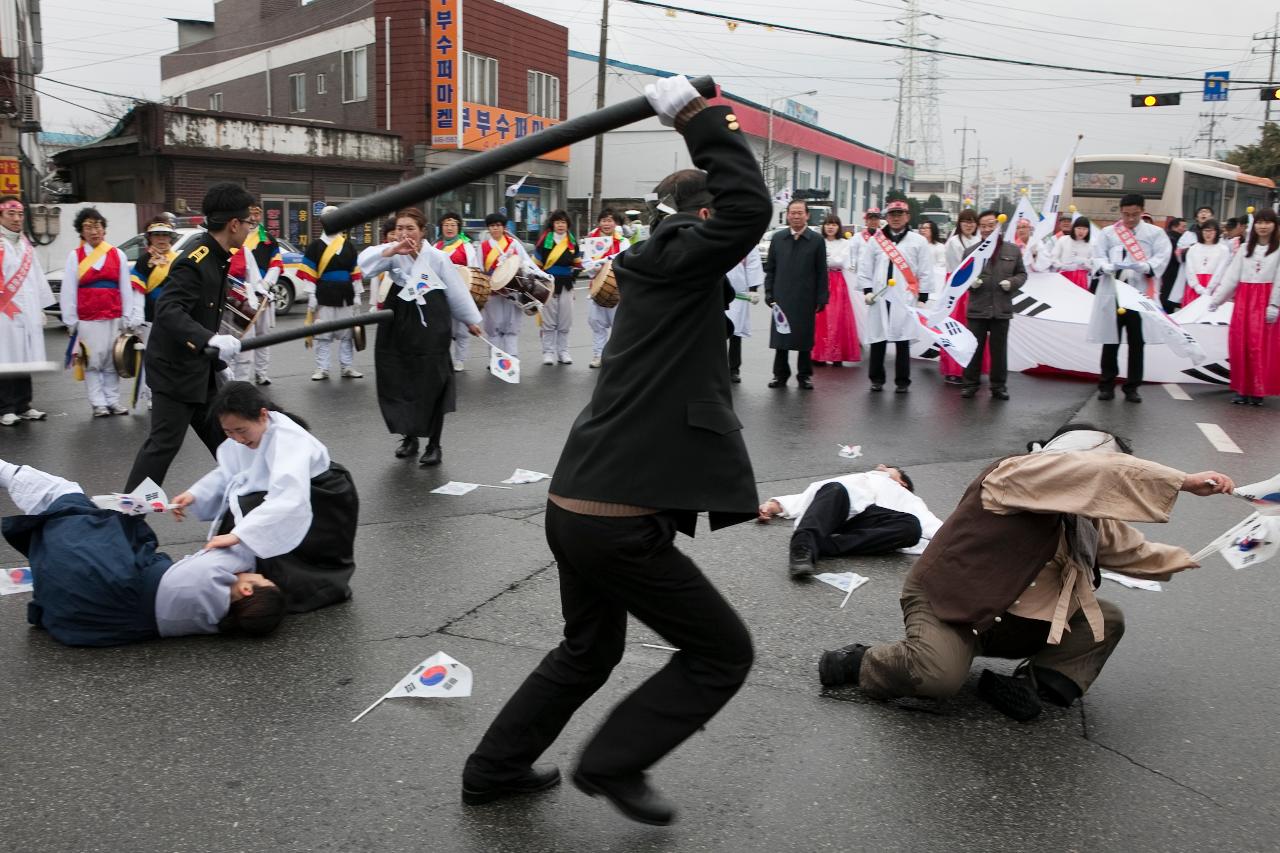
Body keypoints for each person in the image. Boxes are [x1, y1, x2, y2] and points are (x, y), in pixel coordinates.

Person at [462, 76, 770, 826]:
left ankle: (494, 766)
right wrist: (700, 119)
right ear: (704, 218)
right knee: (723, 652)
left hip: (579, 502)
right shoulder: (685, 260)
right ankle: (613, 762)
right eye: (716, 220)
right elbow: (750, 206)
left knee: (588, 650)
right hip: (615, 519)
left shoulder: (654, 268)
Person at [817, 424, 1235, 723]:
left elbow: (1131, 550)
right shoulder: (1014, 474)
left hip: (1014, 620)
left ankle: (1029, 686)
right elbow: (1090, 473)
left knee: (1105, 620)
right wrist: (1181, 480)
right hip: (950, 603)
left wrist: (1201, 555)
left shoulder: (1085, 516)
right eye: (1104, 469)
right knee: (938, 678)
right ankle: (865, 662)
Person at [1, 458, 284, 647]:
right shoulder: (217, 623)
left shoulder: (216, 575)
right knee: (80, 532)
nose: (254, 573)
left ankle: (5, 471)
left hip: (114, 578)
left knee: (67, 496)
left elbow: (244, 543)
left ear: (247, 590)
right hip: (98, 618)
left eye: (259, 579)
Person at [171, 381, 358, 612]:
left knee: (250, 509)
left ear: (262, 415)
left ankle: (299, 586)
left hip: (323, 495)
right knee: (246, 507)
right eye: (228, 432)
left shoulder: (289, 438)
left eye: (240, 430)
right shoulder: (251, 433)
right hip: (294, 493)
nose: (237, 439)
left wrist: (240, 534)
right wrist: (194, 494)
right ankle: (261, 577)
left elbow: (288, 496)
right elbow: (230, 473)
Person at [125, 183, 253, 491]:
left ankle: (248, 507)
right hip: (175, 370)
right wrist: (209, 340)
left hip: (200, 368)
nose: (251, 227)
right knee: (164, 445)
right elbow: (169, 311)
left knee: (227, 443)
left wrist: (218, 361)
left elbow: (204, 312)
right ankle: (126, 518)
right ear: (234, 224)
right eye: (249, 221)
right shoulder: (196, 258)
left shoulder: (218, 255)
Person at [358, 208, 482, 466]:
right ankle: (409, 437)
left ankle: (434, 444)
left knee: (433, 379)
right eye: (400, 229)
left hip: (431, 316)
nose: (404, 234)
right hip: (399, 315)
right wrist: (390, 250)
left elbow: (456, 290)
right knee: (399, 376)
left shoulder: (436, 257)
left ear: (423, 231)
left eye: (410, 229)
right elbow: (364, 265)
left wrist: (470, 319)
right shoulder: (393, 253)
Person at [757, 464, 942, 579]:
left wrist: (956, 544)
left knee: (911, 526)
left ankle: (822, 546)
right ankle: (802, 548)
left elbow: (931, 525)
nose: (882, 467)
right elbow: (812, 496)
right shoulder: (857, 478)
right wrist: (773, 505)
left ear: (903, 483)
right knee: (834, 489)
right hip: (841, 504)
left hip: (871, 518)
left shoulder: (905, 495)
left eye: (890, 469)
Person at [1089, 193, 1171, 403]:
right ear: (1120, 212)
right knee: (1110, 339)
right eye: (1126, 214)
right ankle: (1106, 384)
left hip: (1139, 292)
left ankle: (1132, 386)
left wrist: (1148, 266)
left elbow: (1162, 256)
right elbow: (1097, 254)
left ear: (1142, 211)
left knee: (1137, 341)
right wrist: (1104, 265)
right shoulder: (1108, 233)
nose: (1130, 219)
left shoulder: (1155, 233)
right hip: (1113, 290)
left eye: (1135, 214)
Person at [60, 207, 137, 417]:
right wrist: (71, 319)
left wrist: (127, 314)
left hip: (113, 315)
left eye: (97, 226)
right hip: (87, 318)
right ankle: (98, 403)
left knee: (114, 360)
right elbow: (68, 289)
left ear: (104, 229)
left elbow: (125, 287)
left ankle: (113, 400)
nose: (94, 231)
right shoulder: (74, 256)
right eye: (88, 227)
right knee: (92, 361)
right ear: (81, 231)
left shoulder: (117, 254)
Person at [856, 199, 935, 393]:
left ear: (907, 217)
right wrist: (867, 291)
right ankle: (876, 379)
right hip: (880, 296)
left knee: (902, 339)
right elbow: (865, 267)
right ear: (887, 217)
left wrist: (923, 298)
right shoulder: (877, 240)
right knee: (878, 338)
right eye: (892, 214)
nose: (896, 218)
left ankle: (902, 381)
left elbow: (925, 270)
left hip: (905, 296)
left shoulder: (918, 241)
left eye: (900, 214)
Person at [1208, 208, 1280, 406]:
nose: (1263, 226)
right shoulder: (1244, 249)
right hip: (1244, 302)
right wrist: (1217, 299)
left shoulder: (1278, 250)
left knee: (1259, 347)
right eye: (1259, 222)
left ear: (1274, 226)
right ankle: (1241, 388)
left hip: (1265, 301)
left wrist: (1274, 304)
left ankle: (1258, 390)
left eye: (1268, 222)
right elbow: (1232, 277)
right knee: (1240, 344)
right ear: (1253, 225)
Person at [962, 210, 1027, 400]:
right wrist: (970, 283)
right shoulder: (970, 251)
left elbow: (1022, 274)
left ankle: (998, 386)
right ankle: (970, 384)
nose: (987, 229)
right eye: (983, 226)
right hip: (977, 307)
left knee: (999, 351)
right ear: (978, 228)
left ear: (999, 227)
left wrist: (1012, 283)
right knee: (973, 348)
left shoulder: (1012, 250)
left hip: (1001, 307)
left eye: (991, 225)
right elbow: (960, 278)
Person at [0, 196, 53, 426]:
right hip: (4, 311)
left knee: (25, 357)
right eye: (11, 214)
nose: (16, 219)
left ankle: (23, 404)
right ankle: (5, 408)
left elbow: (36, 276)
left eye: (20, 214)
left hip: (27, 310)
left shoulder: (25, 245)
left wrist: (41, 307)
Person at [765, 199, 827, 389]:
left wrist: (821, 298)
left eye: (800, 212)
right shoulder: (778, 238)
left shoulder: (816, 240)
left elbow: (821, 271)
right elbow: (771, 269)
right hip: (782, 296)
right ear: (788, 215)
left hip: (805, 297)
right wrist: (769, 292)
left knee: (804, 338)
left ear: (807, 215)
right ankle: (780, 375)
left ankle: (804, 375)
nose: (796, 216)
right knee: (781, 337)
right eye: (793, 212)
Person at [300, 207, 364, 382]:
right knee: (323, 334)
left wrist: (357, 294)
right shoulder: (315, 246)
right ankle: (322, 368)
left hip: (346, 294)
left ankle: (347, 366)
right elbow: (309, 274)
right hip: (324, 294)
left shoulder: (348, 245)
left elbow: (355, 273)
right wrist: (312, 296)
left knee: (347, 334)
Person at [226, 204, 283, 386]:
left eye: (257, 213)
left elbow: (275, 265)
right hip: (229, 301)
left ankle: (259, 374)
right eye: (249, 214)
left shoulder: (267, 239)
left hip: (255, 295)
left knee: (260, 336)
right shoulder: (224, 245)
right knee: (227, 344)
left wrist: (265, 287)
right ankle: (227, 383)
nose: (253, 218)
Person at [128, 218, 180, 407]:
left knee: (174, 356)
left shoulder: (178, 259)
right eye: (157, 235)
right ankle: (151, 394)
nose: (161, 239)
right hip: (151, 317)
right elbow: (138, 289)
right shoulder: (144, 261)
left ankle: (173, 392)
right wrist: (138, 314)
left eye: (165, 235)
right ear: (150, 238)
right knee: (152, 358)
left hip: (175, 316)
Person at [478, 212, 543, 358]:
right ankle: (495, 360)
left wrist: (542, 275)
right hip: (493, 291)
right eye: (492, 226)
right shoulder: (483, 247)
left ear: (503, 227)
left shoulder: (513, 244)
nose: (495, 229)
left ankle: (511, 358)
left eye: (498, 225)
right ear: (489, 229)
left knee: (512, 326)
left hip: (513, 290)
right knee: (494, 326)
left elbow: (527, 262)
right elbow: (478, 269)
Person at [940, 209, 984, 385]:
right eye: (965, 221)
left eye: (972, 221)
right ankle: (953, 369)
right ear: (959, 223)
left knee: (975, 330)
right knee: (955, 329)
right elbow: (956, 268)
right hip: (957, 290)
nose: (969, 225)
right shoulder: (953, 242)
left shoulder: (981, 241)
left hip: (976, 289)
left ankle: (973, 369)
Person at [583, 209, 631, 368]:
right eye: (603, 220)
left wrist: (609, 262)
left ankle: (617, 357)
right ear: (599, 222)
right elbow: (586, 264)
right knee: (597, 324)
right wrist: (595, 267)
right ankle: (598, 355)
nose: (606, 224)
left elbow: (626, 262)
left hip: (617, 288)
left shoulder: (623, 242)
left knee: (618, 326)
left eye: (610, 220)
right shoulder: (591, 241)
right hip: (596, 287)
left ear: (615, 223)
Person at [810, 214, 859, 367]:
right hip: (820, 281)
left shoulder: (845, 243)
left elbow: (840, 261)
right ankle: (819, 353)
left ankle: (838, 354)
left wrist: (825, 260)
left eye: (834, 224)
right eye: (827, 224)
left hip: (837, 282)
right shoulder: (818, 242)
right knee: (819, 318)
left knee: (838, 318)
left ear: (839, 227)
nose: (830, 227)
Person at [533, 210, 581, 365]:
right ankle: (548, 352)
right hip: (548, 284)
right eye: (557, 222)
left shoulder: (572, 243)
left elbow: (578, 265)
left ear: (567, 225)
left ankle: (563, 351)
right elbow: (536, 266)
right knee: (548, 321)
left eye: (563, 222)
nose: (560, 225)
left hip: (566, 284)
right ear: (552, 224)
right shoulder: (543, 241)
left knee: (565, 320)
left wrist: (573, 277)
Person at [433, 211, 479, 372]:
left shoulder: (466, 246)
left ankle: (459, 359)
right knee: (443, 328)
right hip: (440, 293)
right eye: (446, 225)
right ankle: (444, 358)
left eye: (453, 225)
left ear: (458, 227)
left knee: (461, 329)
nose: (449, 228)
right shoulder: (436, 247)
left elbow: (474, 270)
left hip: (461, 291)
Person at [725, 250, 763, 383]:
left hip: (738, 295)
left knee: (735, 332)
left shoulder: (746, 240)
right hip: (717, 292)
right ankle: (715, 369)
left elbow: (753, 264)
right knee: (715, 334)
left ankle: (733, 370)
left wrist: (753, 290)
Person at [1172, 219, 1227, 308]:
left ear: (1217, 232)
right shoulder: (1193, 248)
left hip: (1214, 287)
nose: (1208, 233)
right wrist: (1197, 287)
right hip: (1195, 287)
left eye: (1211, 231)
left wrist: (1209, 289)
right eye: (1205, 230)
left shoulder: (1223, 249)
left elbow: (1221, 270)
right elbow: (1189, 269)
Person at [1051, 217, 1093, 290]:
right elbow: (1053, 257)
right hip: (1063, 275)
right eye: (1079, 228)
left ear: (1088, 231)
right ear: (1073, 228)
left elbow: (1094, 262)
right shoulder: (1063, 240)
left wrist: (1084, 262)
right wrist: (1062, 266)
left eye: (1084, 229)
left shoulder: (1092, 243)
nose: (1081, 231)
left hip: (1081, 278)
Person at [1160, 217, 1188, 312]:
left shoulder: (1165, 237)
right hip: (1172, 272)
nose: (1185, 229)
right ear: (1174, 227)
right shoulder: (1175, 240)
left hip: (1165, 272)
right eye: (1183, 226)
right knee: (1168, 299)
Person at [917, 220, 947, 304]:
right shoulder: (918, 246)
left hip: (934, 282)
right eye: (922, 228)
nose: (923, 230)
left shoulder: (939, 247)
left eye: (926, 228)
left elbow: (941, 264)